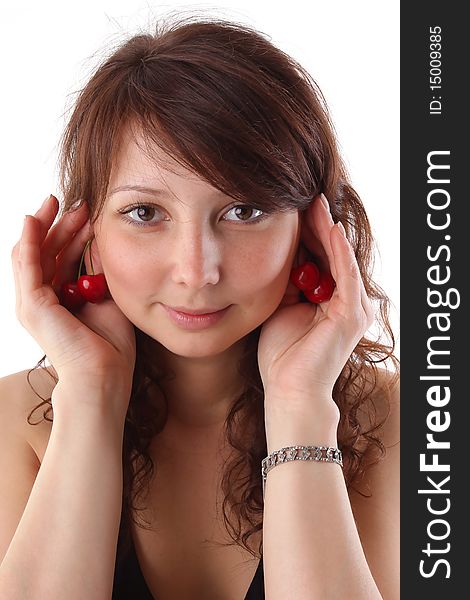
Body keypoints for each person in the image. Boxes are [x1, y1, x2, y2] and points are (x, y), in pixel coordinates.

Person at [0, 14, 399, 600]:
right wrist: (90, 394)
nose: (196, 271)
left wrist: (300, 403)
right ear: (87, 234)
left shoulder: (403, 421)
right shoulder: (13, 421)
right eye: (145, 213)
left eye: (243, 211)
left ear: (314, 227)